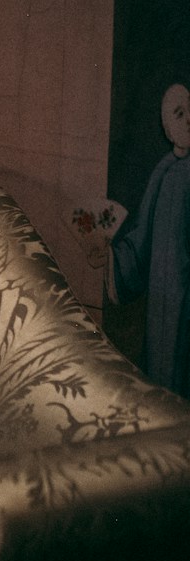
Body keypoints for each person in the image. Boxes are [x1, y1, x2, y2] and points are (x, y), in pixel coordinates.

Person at [107, 83, 190, 396]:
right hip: (163, 298)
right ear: (168, 129)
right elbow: (142, 236)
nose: (189, 119)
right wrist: (112, 258)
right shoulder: (164, 171)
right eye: (179, 114)